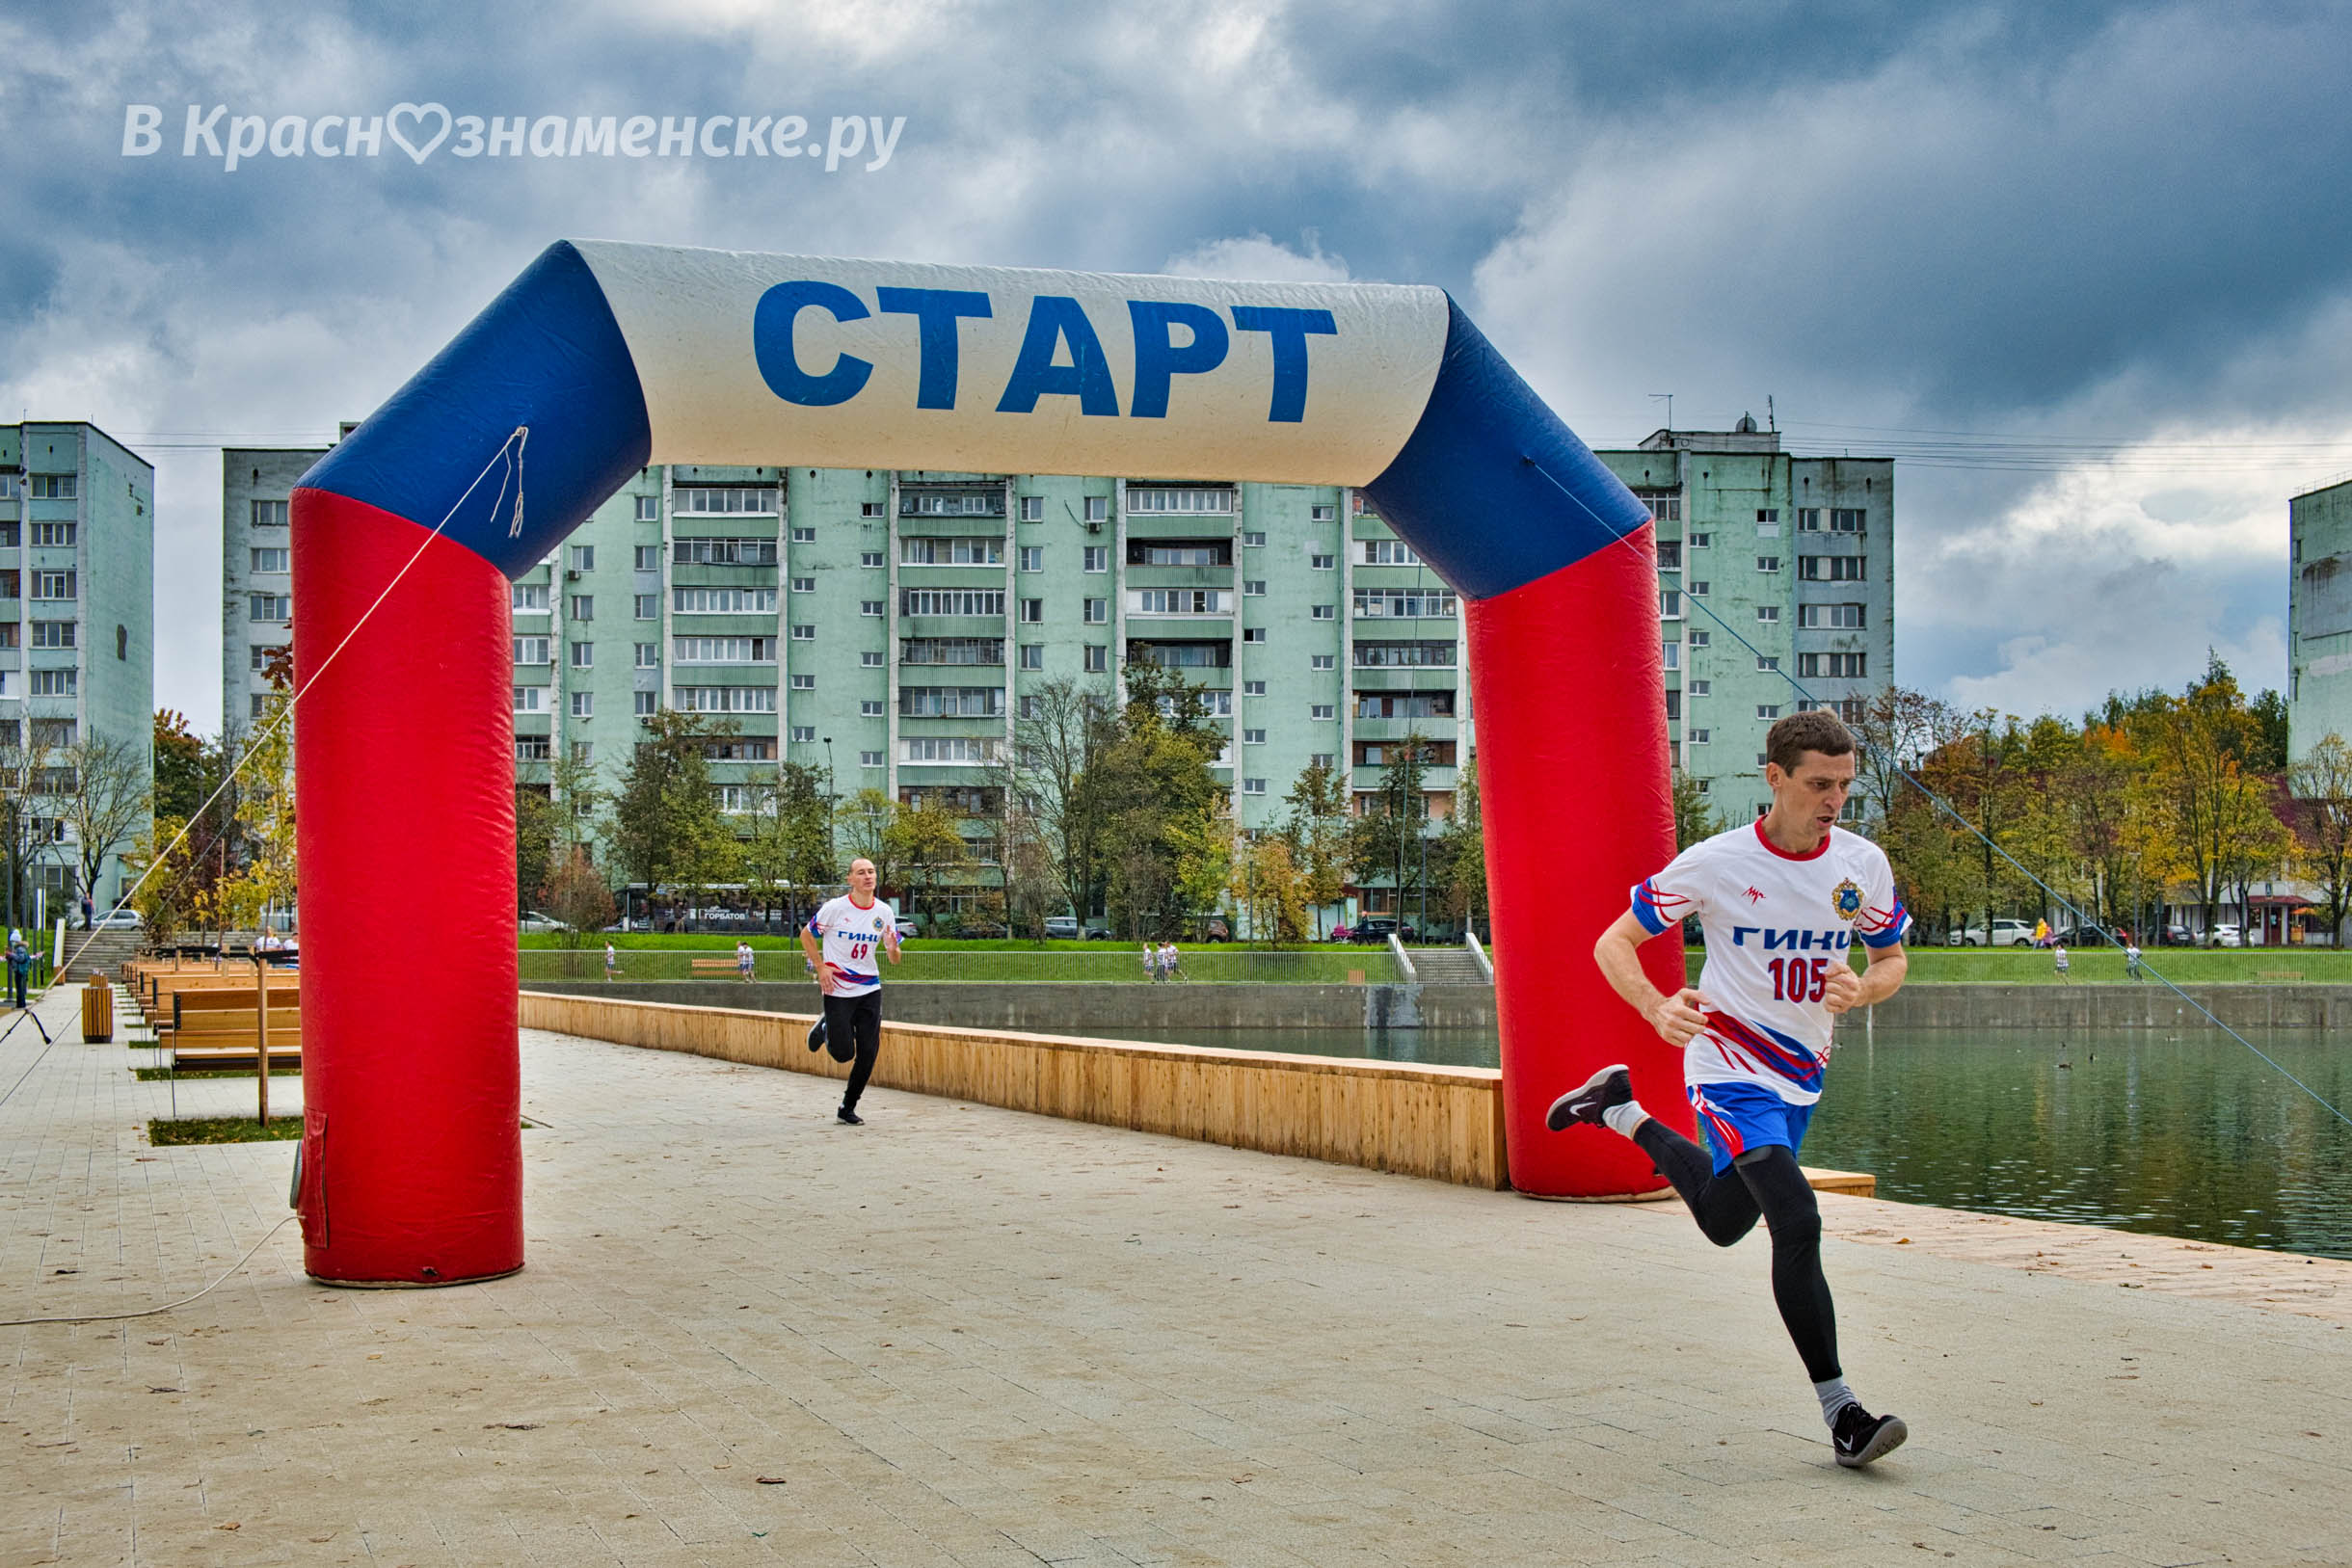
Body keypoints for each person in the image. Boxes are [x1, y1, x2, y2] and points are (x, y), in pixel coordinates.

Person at [1547, 709, 1913, 1469]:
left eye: (1844, 785)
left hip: (1802, 1072)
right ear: (1775, 778)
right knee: (1797, 1216)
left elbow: (1892, 958)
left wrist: (1865, 990)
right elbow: (1613, 940)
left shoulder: (1861, 863)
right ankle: (1843, 1412)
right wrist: (1655, 1005)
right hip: (1726, 1064)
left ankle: (1614, 1106)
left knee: (1723, 1220)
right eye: (1818, 783)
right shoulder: (1715, 863)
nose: (1833, 799)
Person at [799, 859, 902, 1125]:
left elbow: (895, 959)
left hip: (869, 988)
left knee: (869, 1052)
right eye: (861, 873)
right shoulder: (835, 908)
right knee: (844, 1054)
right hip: (837, 988)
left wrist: (892, 948)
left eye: (871, 872)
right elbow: (806, 935)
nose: (868, 877)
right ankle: (825, 1028)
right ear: (850, 879)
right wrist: (820, 967)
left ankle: (847, 1107)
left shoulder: (884, 912)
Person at [5, 929, 29, 1009]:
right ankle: (20, 1004)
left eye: (13, 941)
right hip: (19, 970)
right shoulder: (19, 949)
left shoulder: (20, 949)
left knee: (20, 988)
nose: (12, 943)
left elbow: (20, 959)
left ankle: (21, 1004)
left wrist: (11, 955)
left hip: (20, 970)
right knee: (19, 988)